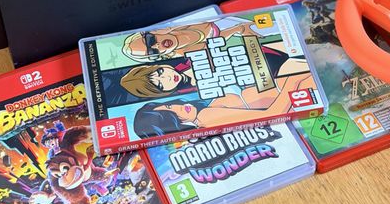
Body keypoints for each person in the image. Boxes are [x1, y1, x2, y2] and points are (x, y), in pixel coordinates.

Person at [133, 70, 316, 138]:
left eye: (168, 105)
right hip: (296, 90)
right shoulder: (205, 117)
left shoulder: (203, 111)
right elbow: (273, 113)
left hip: (291, 87)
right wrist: (292, 81)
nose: (176, 107)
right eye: (171, 115)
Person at [122, 19, 260, 62]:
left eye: (150, 39)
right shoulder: (184, 52)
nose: (157, 45)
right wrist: (239, 29)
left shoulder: (178, 21)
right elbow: (213, 43)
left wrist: (169, 28)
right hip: (238, 25)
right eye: (153, 51)